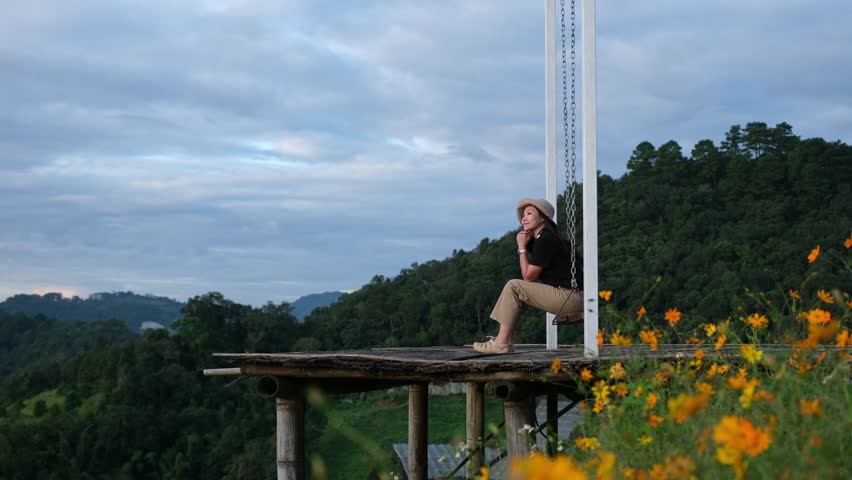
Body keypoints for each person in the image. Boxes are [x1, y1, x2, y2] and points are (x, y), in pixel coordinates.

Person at [472, 198, 584, 354]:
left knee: (514, 286)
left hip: (569, 297)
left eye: (529, 213)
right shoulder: (546, 238)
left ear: (543, 217)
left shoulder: (546, 239)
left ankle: (501, 342)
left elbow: (528, 277)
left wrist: (521, 247)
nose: (524, 218)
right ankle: (505, 341)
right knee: (518, 291)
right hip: (574, 296)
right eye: (523, 214)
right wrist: (527, 243)